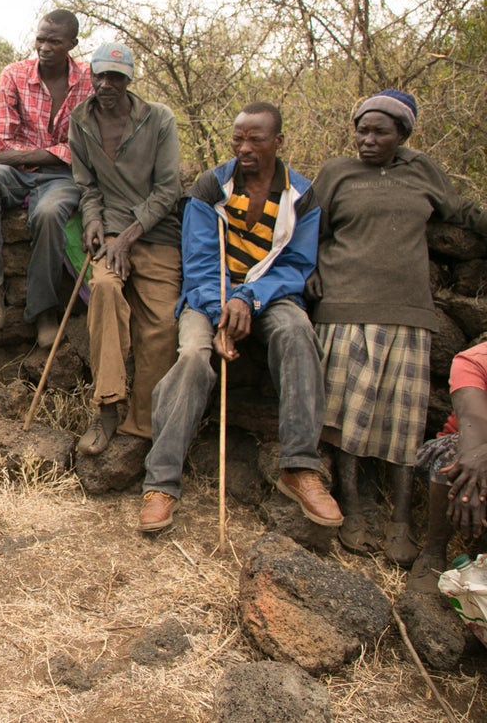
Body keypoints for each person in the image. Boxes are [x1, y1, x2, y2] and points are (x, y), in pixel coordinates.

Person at [138, 103, 343, 533]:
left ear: (279, 142)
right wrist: (222, 312)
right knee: (193, 355)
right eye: (238, 139)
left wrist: (249, 300)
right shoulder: (211, 186)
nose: (244, 148)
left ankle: (300, 468)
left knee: (297, 332)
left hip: (268, 295)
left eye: (256, 139)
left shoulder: (301, 196)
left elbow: (296, 265)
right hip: (210, 295)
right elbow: (198, 263)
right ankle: (160, 484)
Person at [309, 90, 487, 565]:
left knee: (402, 424)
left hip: (407, 310)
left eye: (379, 132)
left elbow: (457, 212)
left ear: (403, 135)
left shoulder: (422, 172)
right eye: (362, 130)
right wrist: (311, 271)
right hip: (344, 305)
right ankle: (355, 509)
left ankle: (402, 521)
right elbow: (311, 227)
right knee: (345, 417)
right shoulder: (337, 173)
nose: (367, 140)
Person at [69, 43, 182, 455]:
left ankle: (145, 422)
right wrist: (95, 221)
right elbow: (86, 186)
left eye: (115, 77)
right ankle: (108, 408)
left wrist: (129, 236)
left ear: (129, 80)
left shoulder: (159, 118)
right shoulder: (79, 121)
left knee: (162, 323)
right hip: (111, 233)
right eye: (99, 76)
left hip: (155, 234)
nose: (105, 84)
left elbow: (169, 188)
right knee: (104, 290)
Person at [0, 10, 93, 347]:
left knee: (50, 215)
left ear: (72, 45)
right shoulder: (15, 74)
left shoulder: (89, 81)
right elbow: (0, 148)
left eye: (55, 41)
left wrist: (49, 155)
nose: (45, 47)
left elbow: (86, 148)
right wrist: (59, 151)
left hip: (62, 179)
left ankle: (43, 310)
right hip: (16, 174)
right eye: (41, 39)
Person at [409, 341, 487, 592]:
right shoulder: (474, 360)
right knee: (458, 453)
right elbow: (474, 429)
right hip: (449, 459)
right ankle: (434, 551)